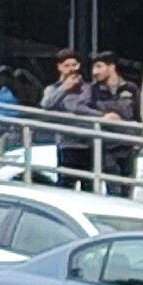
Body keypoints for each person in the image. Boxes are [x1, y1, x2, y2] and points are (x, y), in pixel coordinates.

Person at [40, 52, 96, 186]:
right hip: (67, 144)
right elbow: (46, 104)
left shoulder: (88, 88)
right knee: (66, 183)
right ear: (59, 67)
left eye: (74, 65)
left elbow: (86, 109)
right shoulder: (52, 88)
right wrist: (64, 88)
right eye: (67, 65)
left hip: (88, 143)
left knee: (88, 185)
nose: (71, 68)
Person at [92, 55, 142, 190]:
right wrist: (104, 116)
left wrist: (139, 139)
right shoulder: (94, 90)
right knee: (113, 188)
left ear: (111, 67)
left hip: (128, 145)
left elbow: (139, 113)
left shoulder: (130, 88)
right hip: (107, 146)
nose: (94, 72)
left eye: (99, 67)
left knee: (128, 187)